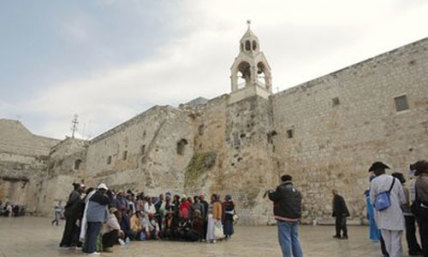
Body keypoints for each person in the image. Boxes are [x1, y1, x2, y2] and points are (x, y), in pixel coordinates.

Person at [369, 162, 406, 257]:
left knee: (387, 240)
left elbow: (372, 200)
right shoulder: (395, 180)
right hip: (395, 213)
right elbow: (402, 199)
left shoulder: (374, 182)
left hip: (382, 214)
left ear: (376, 171)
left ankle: (391, 255)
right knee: (396, 239)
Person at [268, 174, 303, 257]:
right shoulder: (297, 191)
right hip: (295, 218)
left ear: (282, 181)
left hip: (284, 219)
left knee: (285, 239)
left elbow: (273, 197)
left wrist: (269, 192)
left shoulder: (281, 189)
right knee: (295, 239)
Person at [392, 172, 423, 256]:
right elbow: (405, 201)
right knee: (411, 231)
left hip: (403, 213)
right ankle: (413, 248)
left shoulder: (395, 189)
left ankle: (413, 248)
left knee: (409, 232)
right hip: (408, 213)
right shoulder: (403, 188)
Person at [82, 183, 110, 254]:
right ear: (103, 190)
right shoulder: (100, 196)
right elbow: (109, 201)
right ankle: (91, 251)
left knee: (89, 234)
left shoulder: (94, 195)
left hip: (90, 217)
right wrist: (109, 193)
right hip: (96, 218)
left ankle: (87, 249)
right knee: (93, 234)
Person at [410, 160, 428, 257]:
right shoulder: (424, 180)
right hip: (426, 210)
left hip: (422, 211)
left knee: (424, 233)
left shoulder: (419, 179)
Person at [60, 183, 83, 248]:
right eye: (80, 187)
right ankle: (65, 243)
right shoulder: (75, 193)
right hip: (71, 213)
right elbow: (70, 202)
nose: (82, 189)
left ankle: (68, 242)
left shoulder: (76, 193)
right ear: (78, 187)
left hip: (72, 213)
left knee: (71, 228)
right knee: (69, 228)